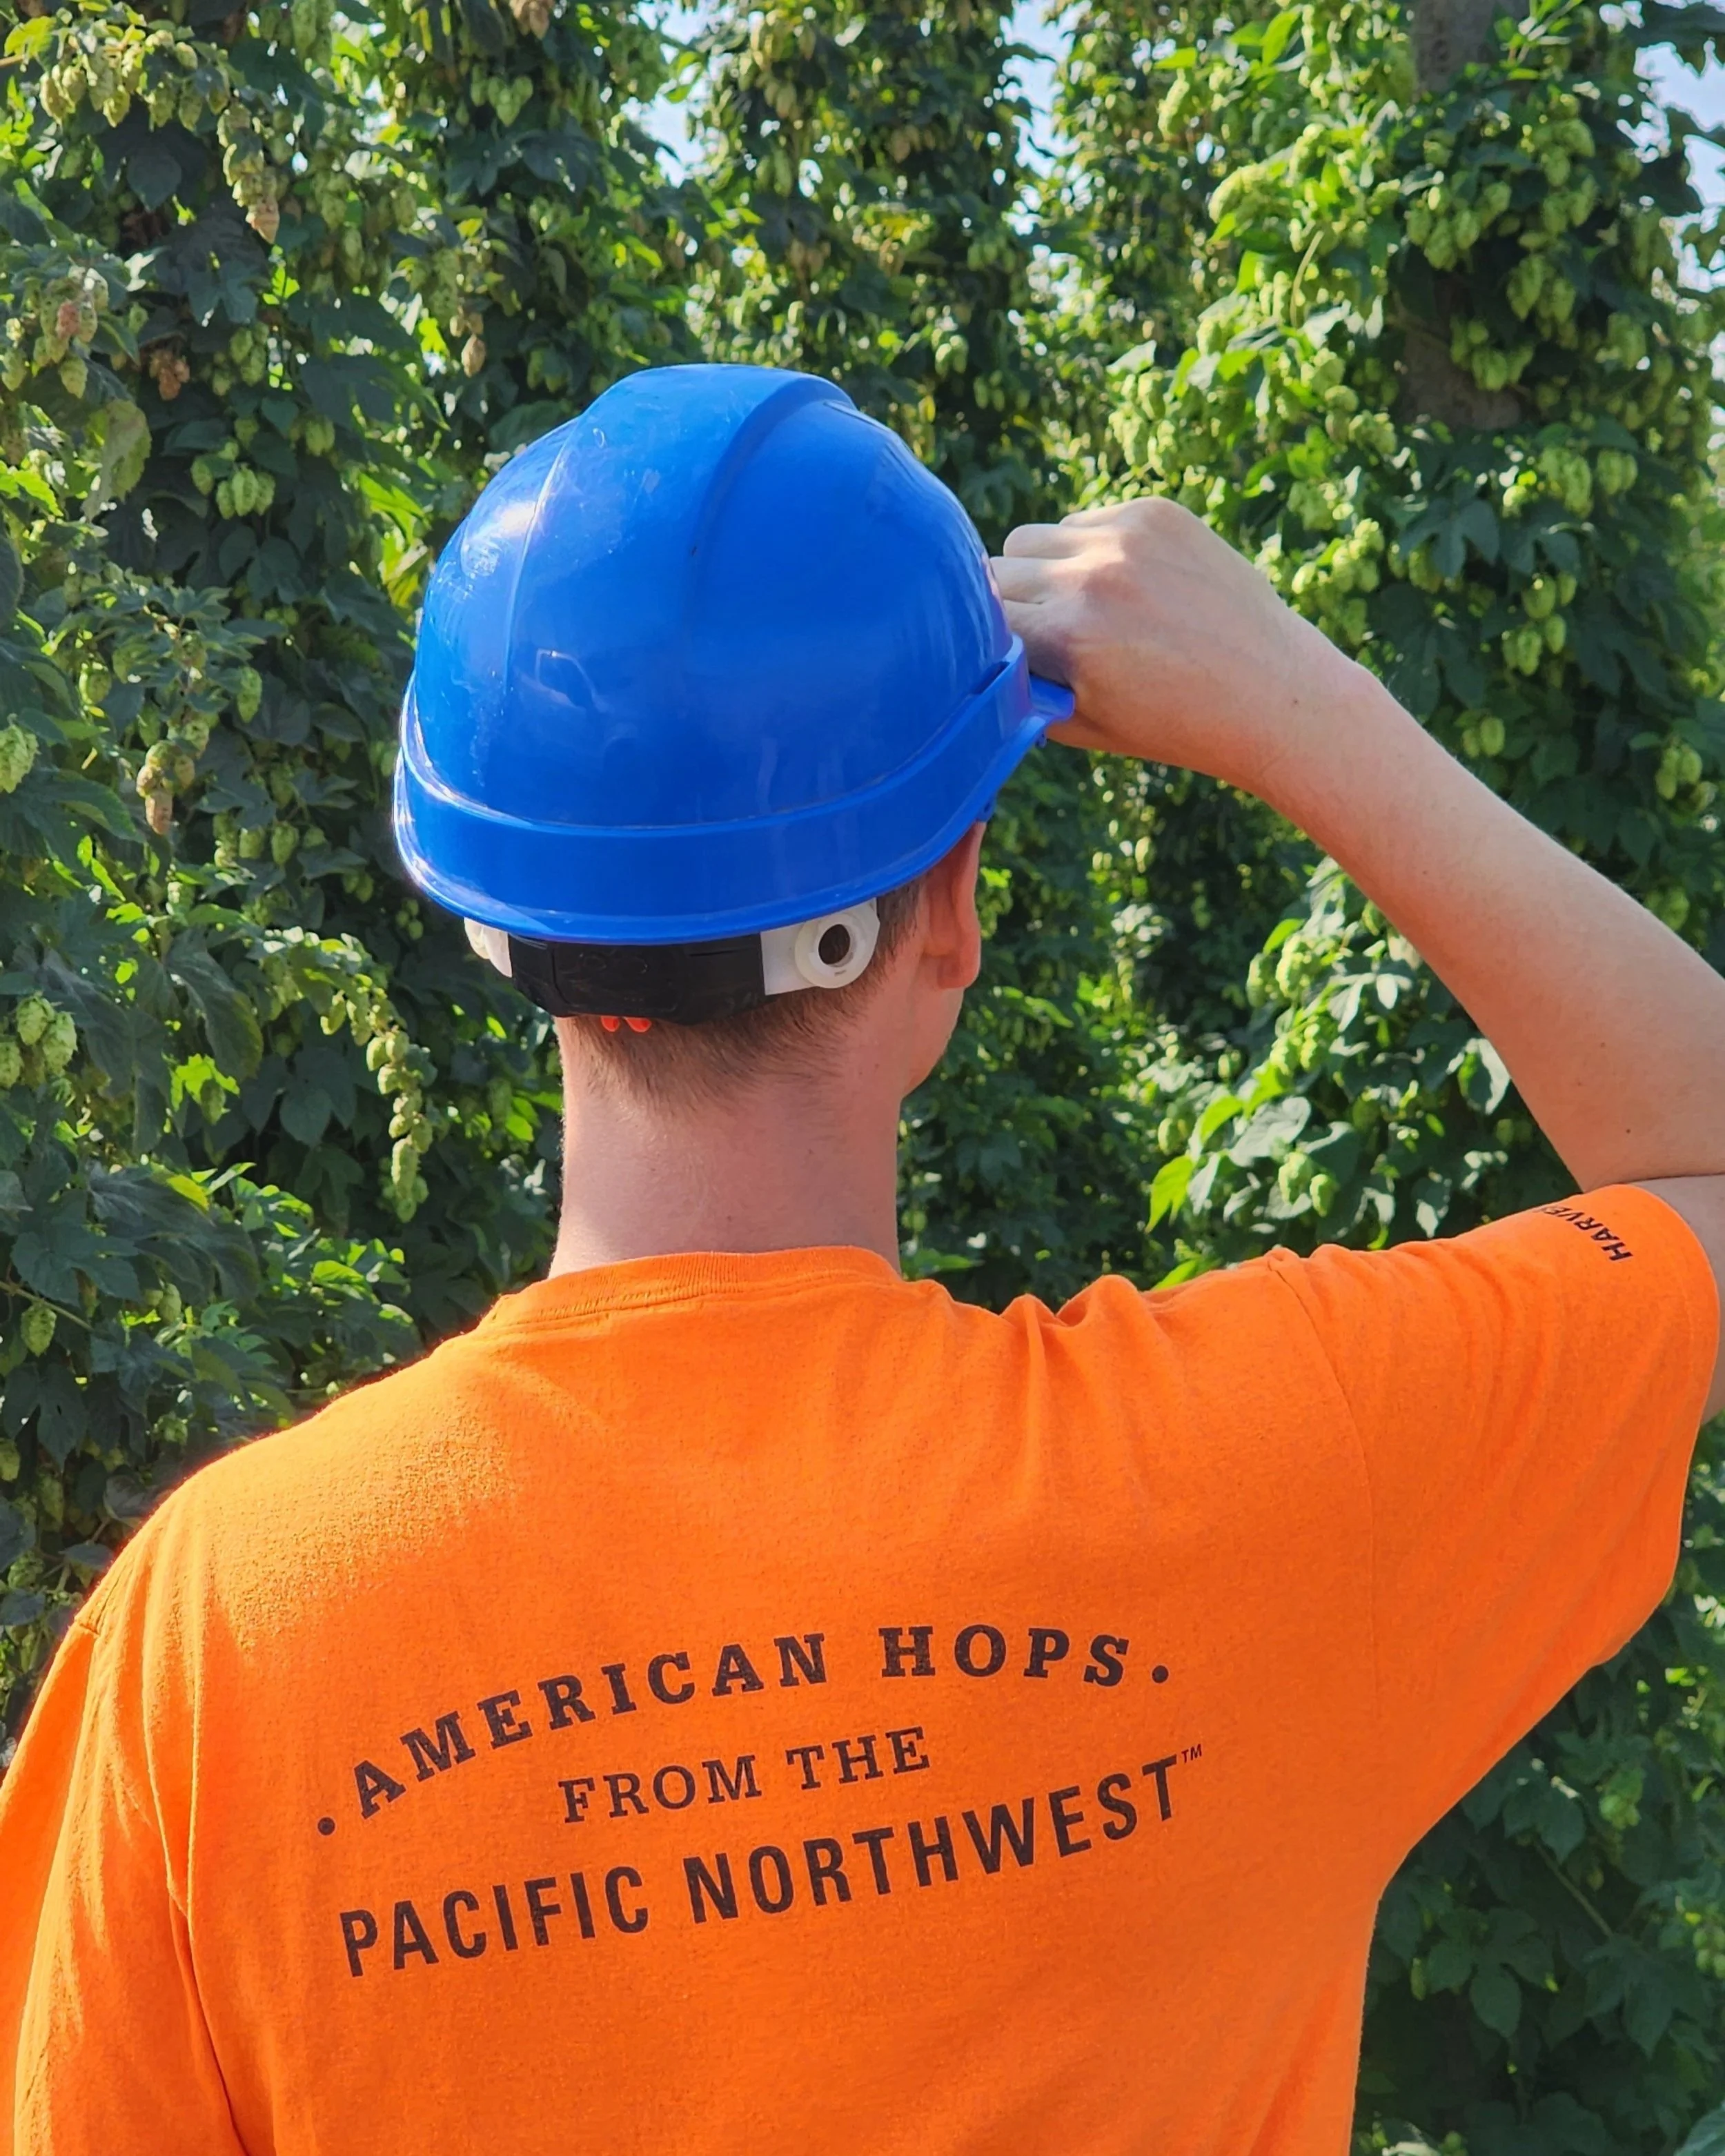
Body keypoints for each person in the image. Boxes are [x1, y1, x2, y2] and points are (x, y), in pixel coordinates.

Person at [0, 363, 1719, 2156]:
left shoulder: (212, 1643)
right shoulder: (1276, 1469)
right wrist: (1313, 710)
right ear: (950, 908)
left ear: (498, 931)